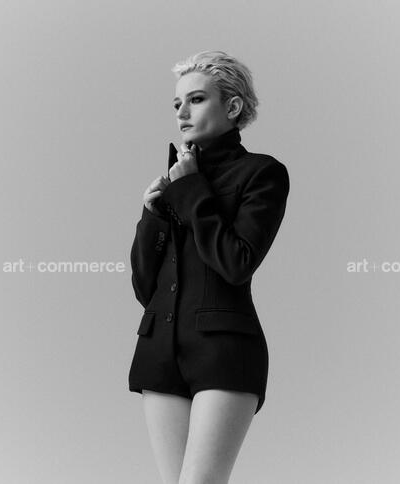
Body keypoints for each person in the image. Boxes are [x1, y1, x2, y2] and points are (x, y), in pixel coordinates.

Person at [128, 50, 290, 484]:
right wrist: (152, 216)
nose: (182, 112)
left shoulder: (262, 173)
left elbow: (235, 263)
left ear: (232, 106)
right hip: (159, 351)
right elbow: (145, 288)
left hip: (224, 351)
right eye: (177, 103)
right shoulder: (175, 182)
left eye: (196, 99)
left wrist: (191, 190)